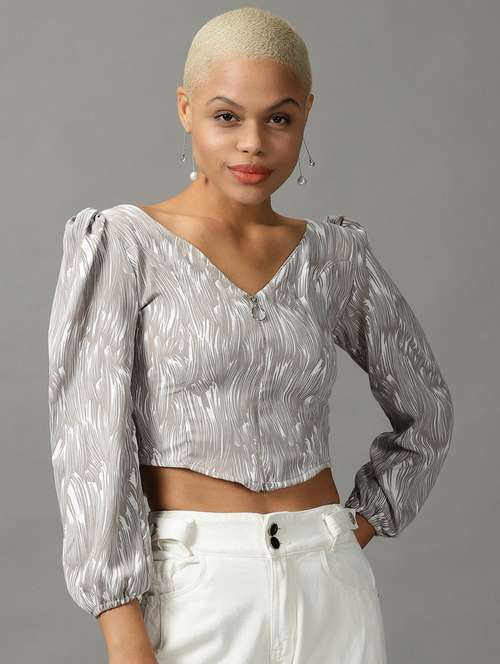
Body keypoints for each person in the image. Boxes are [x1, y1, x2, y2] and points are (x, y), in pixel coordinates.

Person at [47, 7, 454, 664]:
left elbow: (428, 408)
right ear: (186, 109)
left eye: (279, 119)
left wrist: (355, 527)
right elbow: (89, 451)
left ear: (306, 117)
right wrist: (124, 634)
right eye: (227, 116)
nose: (253, 144)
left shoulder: (334, 257)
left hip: (330, 583)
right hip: (191, 589)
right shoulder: (125, 246)